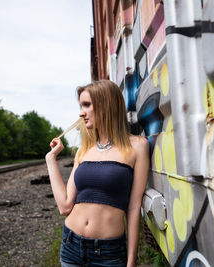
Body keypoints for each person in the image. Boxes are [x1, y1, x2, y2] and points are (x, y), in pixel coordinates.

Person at [45, 79, 150, 267]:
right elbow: (65, 207)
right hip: (71, 245)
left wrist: (131, 261)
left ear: (106, 105)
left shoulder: (137, 146)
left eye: (86, 105)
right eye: (81, 105)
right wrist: (50, 160)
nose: (81, 112)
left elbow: (134, 208)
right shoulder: (84, 150)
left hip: (108, 253)